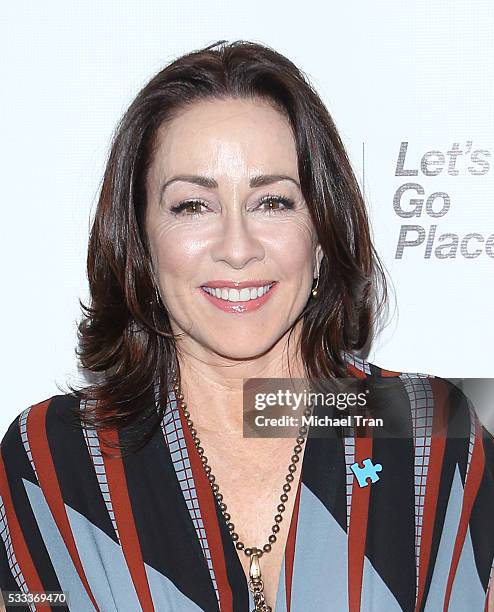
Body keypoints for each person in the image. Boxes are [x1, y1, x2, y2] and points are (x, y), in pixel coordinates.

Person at [0, 39, 493, 612]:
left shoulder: (431, 433)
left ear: (322, 231)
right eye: (192, 206)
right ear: (140, 241)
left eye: (273, 202)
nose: (237, 248)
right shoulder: (52, 462)